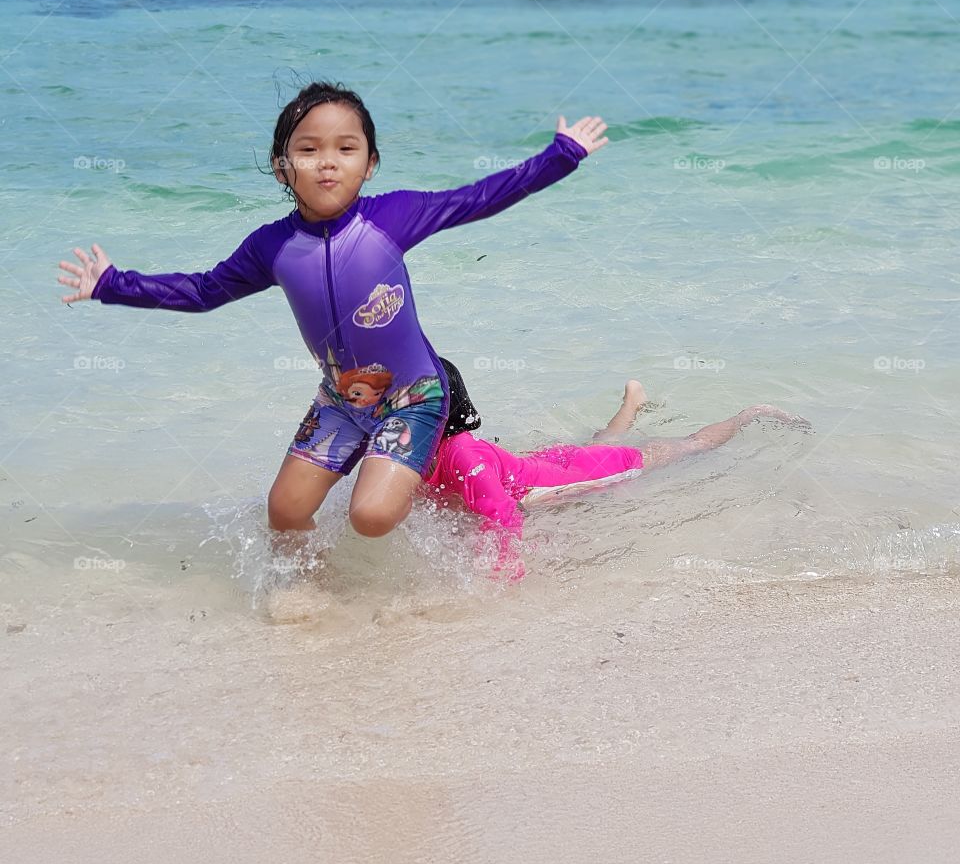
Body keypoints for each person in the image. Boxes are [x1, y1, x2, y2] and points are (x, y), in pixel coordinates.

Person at [56, 81, 608, 561]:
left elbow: (480, 198)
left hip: (414, 396)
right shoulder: (270, 246)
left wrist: (562, 155)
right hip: (343, 397)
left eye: (346, 148)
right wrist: (112, 284)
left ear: (369, 164)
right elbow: (203, 290)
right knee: (284, 510)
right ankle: (308, 586)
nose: (327, 161)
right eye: (308, 149)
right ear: (282, 167)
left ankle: (429, 479)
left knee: (370, 516)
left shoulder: (394, 215)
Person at [423, 379, 810, 580]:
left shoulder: (462, 454)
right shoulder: (427, 450)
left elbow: (505, 517)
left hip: (590, 471)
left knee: (690, 446)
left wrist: (503, 580)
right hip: (551, 465)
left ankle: (749, 414)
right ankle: (633, 401)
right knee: (597, 445)